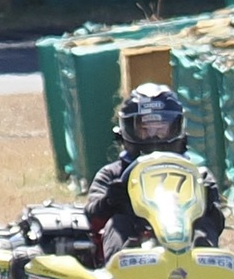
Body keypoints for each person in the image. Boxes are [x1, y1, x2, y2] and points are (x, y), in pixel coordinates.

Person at [84, 83, 222, 255]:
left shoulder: (197, 175)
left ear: (176, 127)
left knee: (203, 224)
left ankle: (203, 257)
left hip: (184, 237)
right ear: (127, 130)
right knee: (117, 223)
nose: (154, 136)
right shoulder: (112, 174)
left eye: (161, 128)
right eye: (145, 129)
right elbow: (91, 218)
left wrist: (207, 202)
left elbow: (217, 223)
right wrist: (110, 202)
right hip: (135, 241)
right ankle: (122, 261)